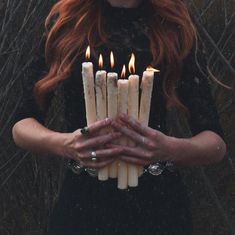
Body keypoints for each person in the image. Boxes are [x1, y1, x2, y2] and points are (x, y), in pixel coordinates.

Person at [12, 0, 227, 234]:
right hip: (83, 205)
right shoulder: (68, 22)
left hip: (158, 209)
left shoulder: (173, 24)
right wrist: (66, 144)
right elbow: (22, 126)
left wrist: (170, 149)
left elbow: (214, 143)